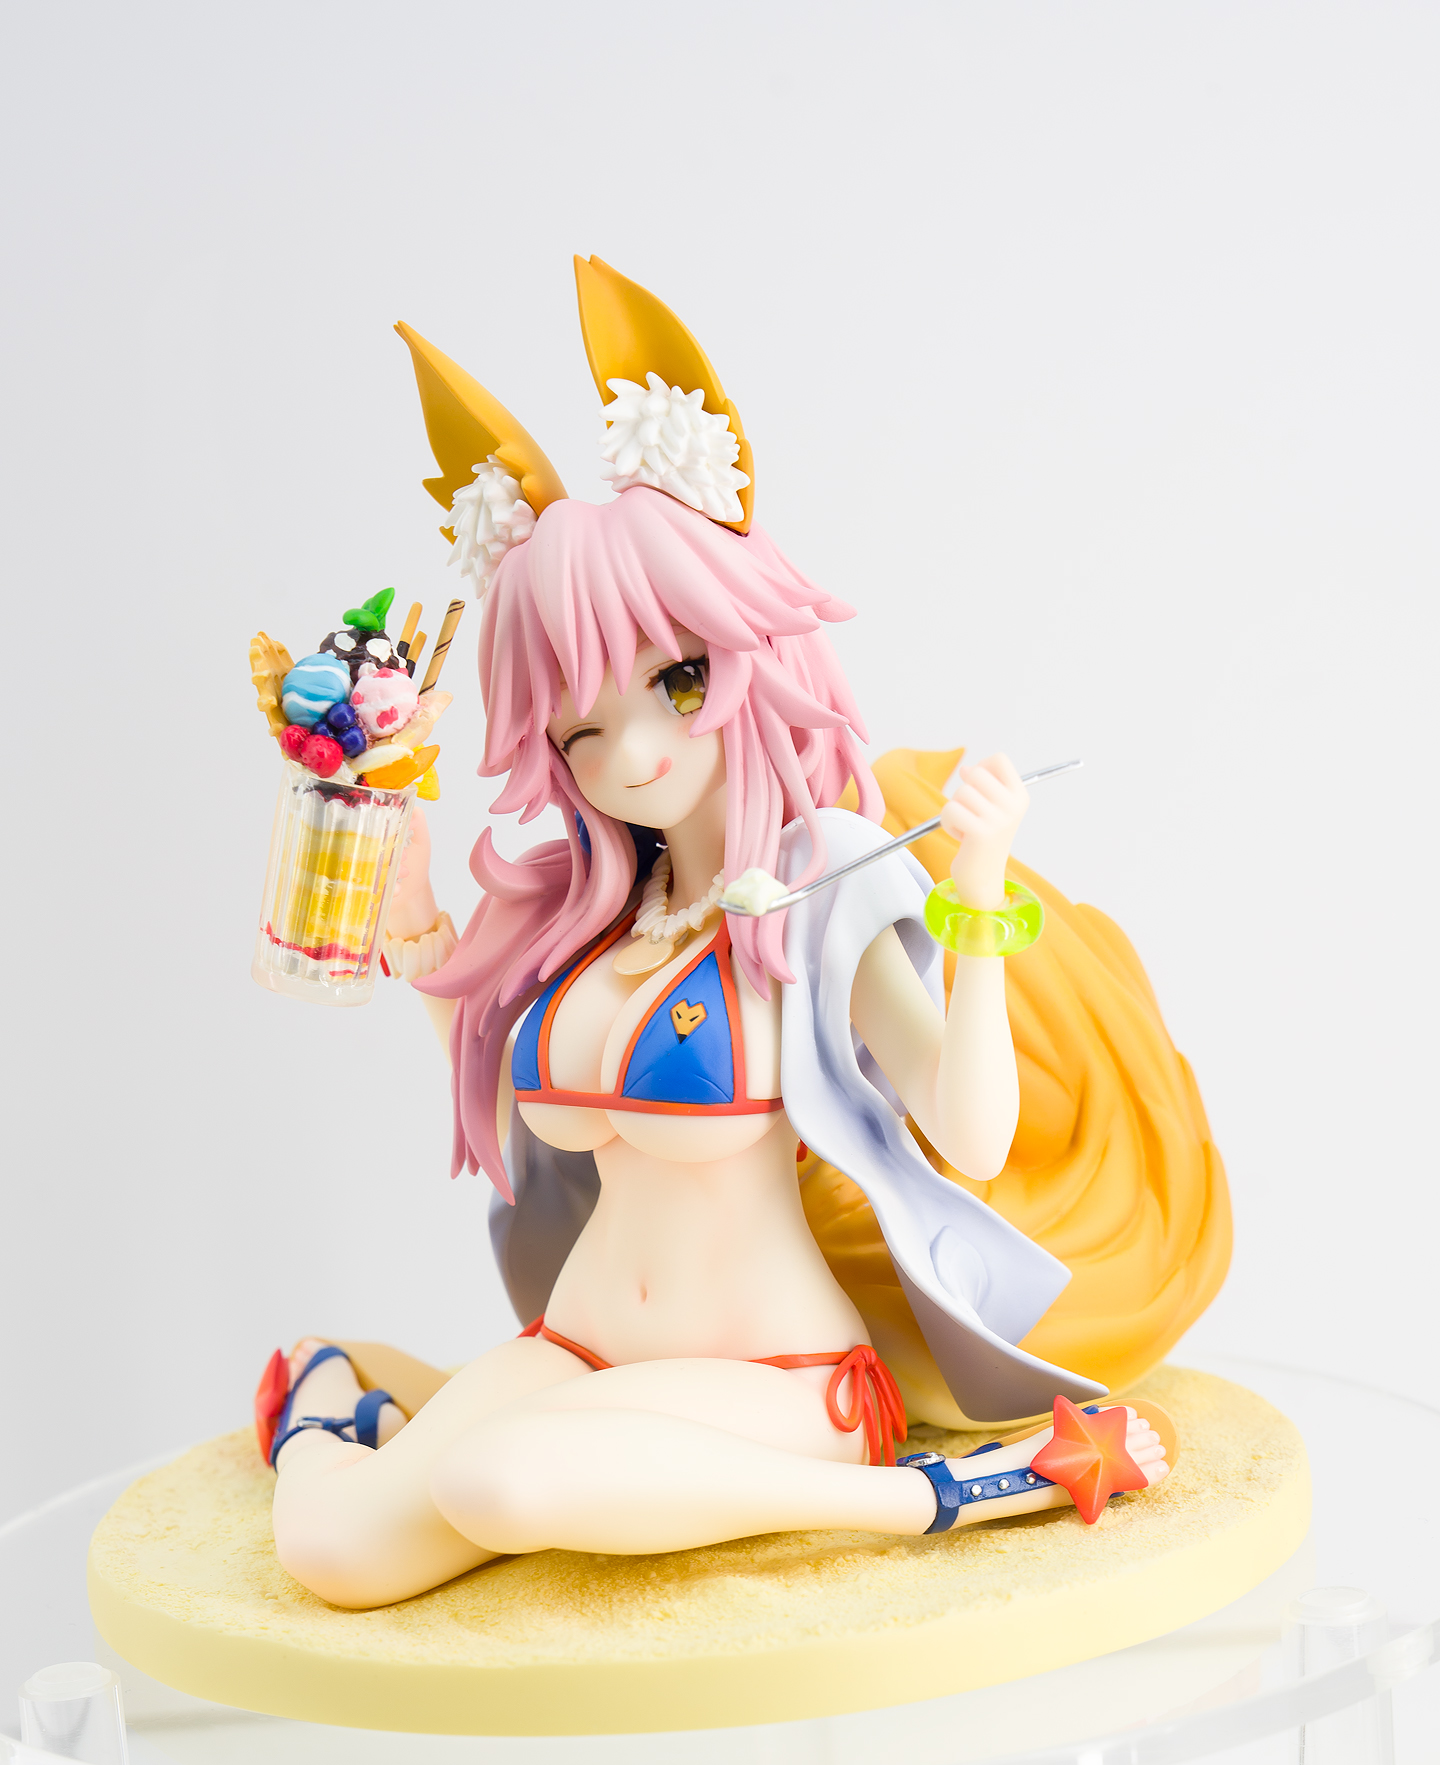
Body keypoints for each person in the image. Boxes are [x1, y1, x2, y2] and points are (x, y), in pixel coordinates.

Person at [254, 262, 1172, 1612]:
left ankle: (941, 1494)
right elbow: (516, 1128)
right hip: (581, 1350)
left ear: (751, 653)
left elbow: (970, 1136)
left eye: (678, 680)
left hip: (778, 1386)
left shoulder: (818, 881)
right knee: (331, 1553)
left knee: (502, 1482)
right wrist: (416, 932)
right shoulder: (585, 913)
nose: (630, 752)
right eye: (581, 724)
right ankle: (337, 1410)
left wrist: (977, 890)